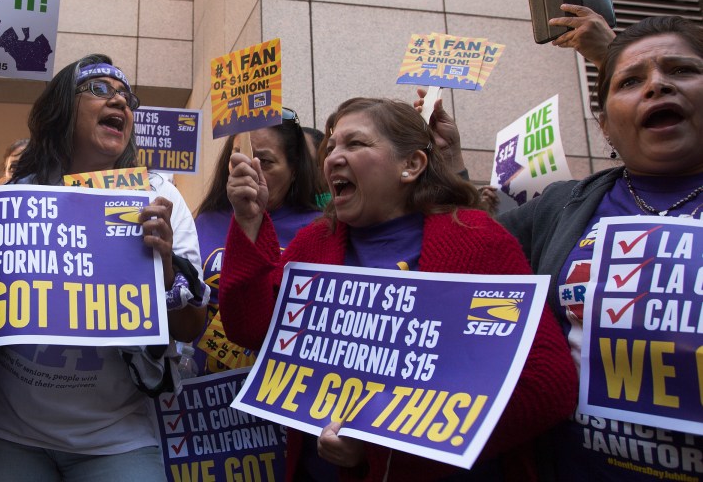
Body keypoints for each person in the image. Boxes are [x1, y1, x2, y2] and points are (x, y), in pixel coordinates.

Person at [219, 97, 577, 481]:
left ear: (411, 165)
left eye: (355, 144)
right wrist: (248, 223)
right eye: (331, 146)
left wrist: (381, 440)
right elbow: (250, 330)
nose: (333, 157)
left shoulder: (479, 241)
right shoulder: (313, 243)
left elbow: (548, 383)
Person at [423, 15, 703, 481]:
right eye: (631, 81)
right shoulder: (561, 206)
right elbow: (471, 253)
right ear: (605, 126)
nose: (656, 86)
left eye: (681, 70)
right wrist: (447, 164)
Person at [0, 54, 207, 482]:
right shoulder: (19, 197)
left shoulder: (159, 198)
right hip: (9, 430)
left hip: (115, 435)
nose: (119, 101)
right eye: (100, 89)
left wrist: (166, 270)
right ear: (64, 106)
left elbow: (192, 327)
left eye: (126, 96)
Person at [193, 109, 323, 374]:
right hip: (206, 391)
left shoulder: (319, 229)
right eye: (237, 159)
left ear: (294, 169)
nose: (249, 171)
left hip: (278, 386)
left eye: (264, 161)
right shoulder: (205, 221)